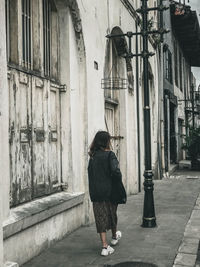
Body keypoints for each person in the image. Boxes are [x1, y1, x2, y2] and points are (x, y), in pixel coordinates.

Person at [88, 131, 124, 256]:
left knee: (100, 217)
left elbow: (91, 176)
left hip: (96, 192)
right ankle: (114, 237)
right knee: (112, 214)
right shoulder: (110, 155)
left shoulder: (92, 156)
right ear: (106, 141)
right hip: (110, 191)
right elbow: (116, 171)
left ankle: (104, 246)